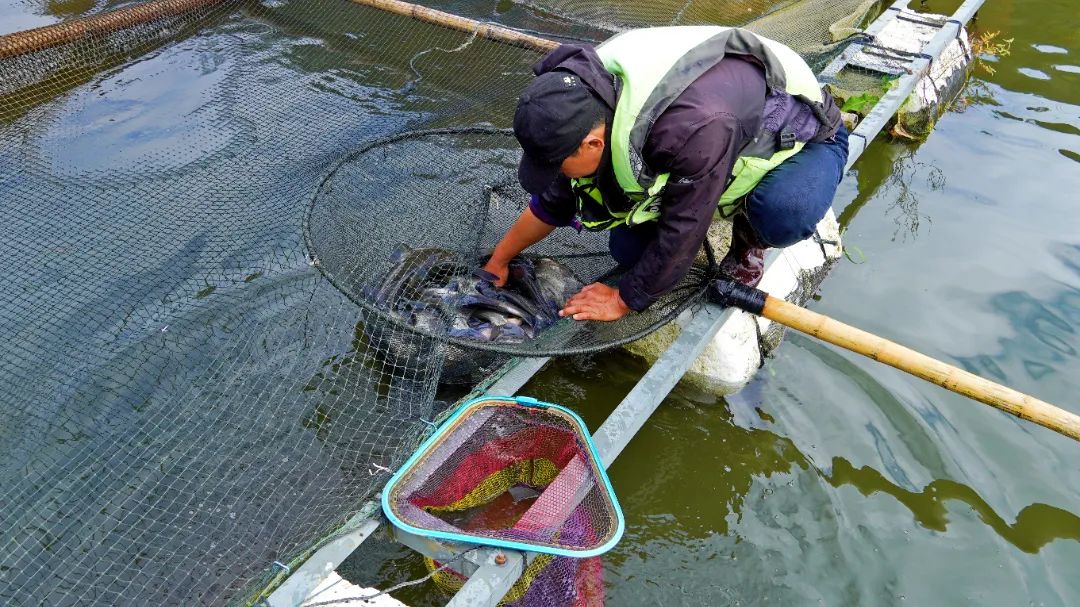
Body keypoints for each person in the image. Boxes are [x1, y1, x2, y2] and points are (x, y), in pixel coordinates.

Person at [482, 26, 849, 321]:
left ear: (593, 143)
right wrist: (499, 260)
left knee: (784, 212)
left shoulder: (690, 129)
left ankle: (749, 238)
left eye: (557, 164)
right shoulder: (584, 101)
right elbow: (554, 202)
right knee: (628, 251)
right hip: (717, 128)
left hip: (801, 133)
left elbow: (685, 225)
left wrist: (624, 300)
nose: (557, 174)